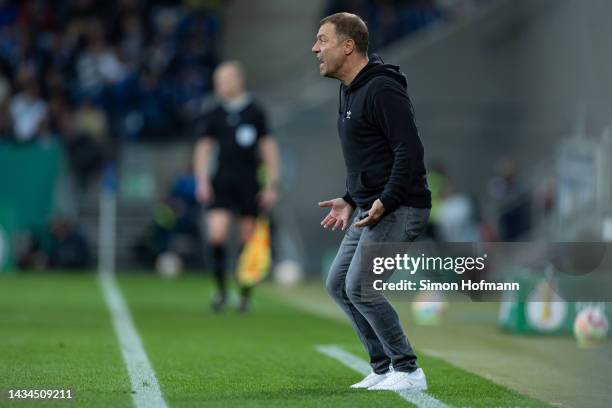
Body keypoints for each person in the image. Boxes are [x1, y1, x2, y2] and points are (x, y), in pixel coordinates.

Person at [313, 13, 432, 391]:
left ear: (348, 46)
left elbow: (409, 151)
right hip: (371, 207)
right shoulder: (348, 88)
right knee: (338, 285)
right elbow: (372, 155)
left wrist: (387, 199)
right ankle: (383, 367)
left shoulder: (382, 88)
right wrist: (351, 198)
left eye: (322, 40)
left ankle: (408, 369)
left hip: (401, 206)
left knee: (362, 286)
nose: (315, 48)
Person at [193, 61, 280, 312]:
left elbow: (268, 147)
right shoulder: (213, 112)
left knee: (248, 239)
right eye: (217, 81)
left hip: (249, 183)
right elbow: (203, 148)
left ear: (238, 80)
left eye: (224, 80)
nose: (219, 86)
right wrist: (202, 180)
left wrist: (272, 185)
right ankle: (220, 291)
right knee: (217, 234)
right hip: (220, 182)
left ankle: (244, 294)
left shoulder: (255, 111)